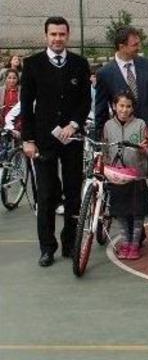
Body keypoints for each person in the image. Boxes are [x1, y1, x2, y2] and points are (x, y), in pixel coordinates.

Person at [19, 17, 92, 267]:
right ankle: (47, 247)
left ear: (68, 36)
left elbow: (85, 101)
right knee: (48, 195)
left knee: (73, 194)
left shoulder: (80, 64)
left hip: (71, 139)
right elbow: (26, 106)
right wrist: (28, 139)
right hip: (43, 141)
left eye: (62, 34)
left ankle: (70, 243)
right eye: (53, 34)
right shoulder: (32, 65)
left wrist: (73, 124)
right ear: (46, 36)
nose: (58, 38)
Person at [95, 26, 148, 247]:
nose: (139, 46)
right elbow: (101, 109)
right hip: (124, 138)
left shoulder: (146, 65)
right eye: (135, 43)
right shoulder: (106, 73)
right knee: (129, 186)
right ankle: (137, 235)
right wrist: (101, 140)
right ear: (121, 46)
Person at [102, 92, 148, 260]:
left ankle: (135, 244)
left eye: (128, 106)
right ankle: (125, 242)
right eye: (121, 105)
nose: (124, 109)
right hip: (117, 177)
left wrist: (144, 149)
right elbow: (106, 149)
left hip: (137, 176)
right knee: (121, 213)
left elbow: (147, 150)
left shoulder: (140, 124)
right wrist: (106, 167)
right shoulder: (108, 125)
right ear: (114, 106)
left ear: (133, 108)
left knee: (137, 213)